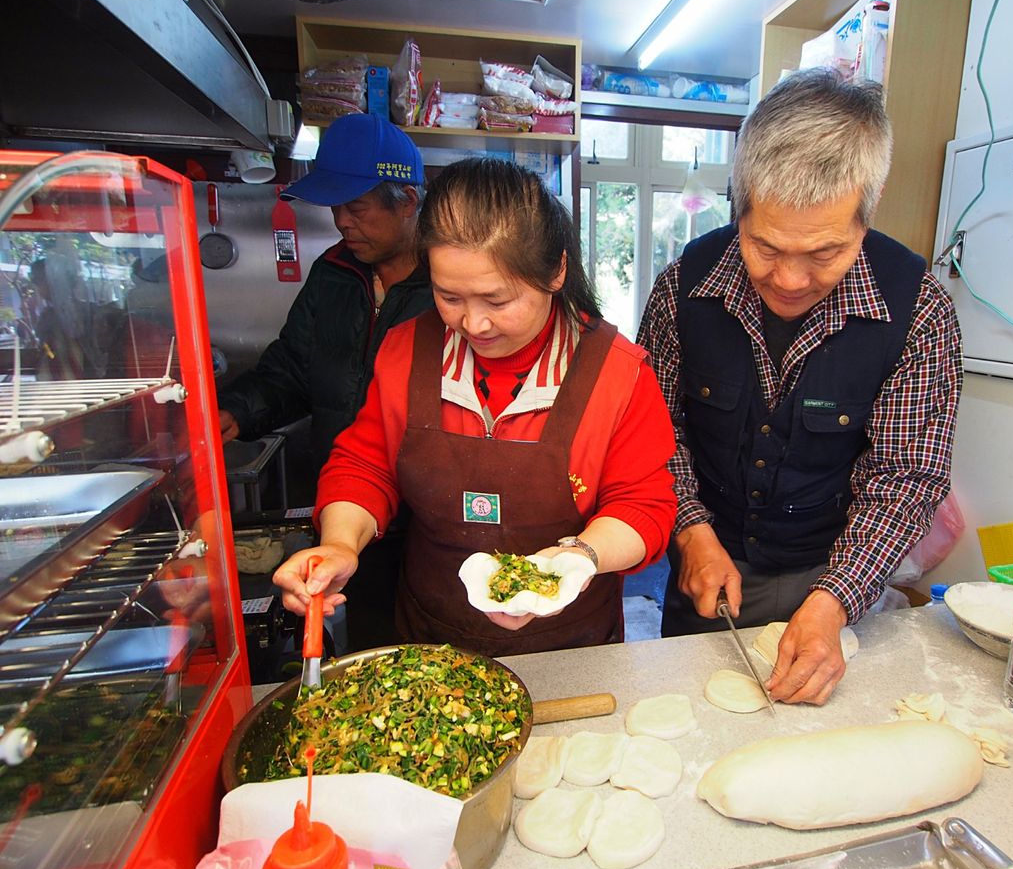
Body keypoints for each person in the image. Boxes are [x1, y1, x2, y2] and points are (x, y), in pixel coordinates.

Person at [637, 69, 963, 705]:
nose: (788, 278)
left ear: (871, 202)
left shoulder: (918, 311)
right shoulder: (683, 289)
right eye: (764, 246)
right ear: (740, 198)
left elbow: (909, 475)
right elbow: (655, 432)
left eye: (823, 253)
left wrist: (837, 598)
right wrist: (691, 529)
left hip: (838, 567)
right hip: (708, 566)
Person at [272, 158, 678, 656]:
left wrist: (577, 558)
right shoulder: (406, 350)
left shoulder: (617, 372)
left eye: (497, 299)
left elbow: (643, 505)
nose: (474, 324)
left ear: (556, 271)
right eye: (450, 297)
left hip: (573, 646)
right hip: (431, 640)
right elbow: (365, 465)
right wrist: (339, 545)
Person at [218, 113, 434, 652]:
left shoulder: (450, 286)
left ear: (406, 200)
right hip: (350, 507)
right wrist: (236, 412)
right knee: (371, 648)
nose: (342, 223)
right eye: (335, 208)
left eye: (356, 208)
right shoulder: (334, 273)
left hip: (429, 520)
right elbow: (291, 367)